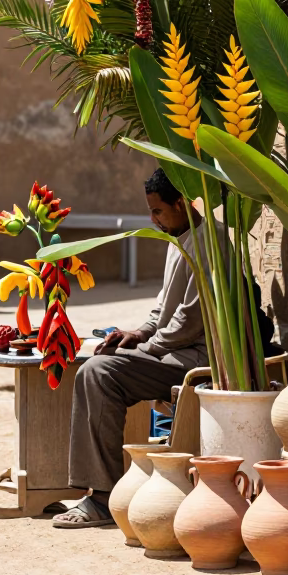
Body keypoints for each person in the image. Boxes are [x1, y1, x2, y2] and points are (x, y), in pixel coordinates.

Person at [51, 168, 236, 528]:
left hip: (196, 360)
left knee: (98, 373)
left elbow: (189, 322)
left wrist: (148, 346)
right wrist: (136, 334)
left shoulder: (209, 243)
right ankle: (99, 489)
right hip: (170, 351)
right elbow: (162, 311)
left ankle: (102, 498)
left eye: (157, 211)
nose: (153, 219)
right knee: (100, 357)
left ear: (181, 204)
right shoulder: (178, 237)